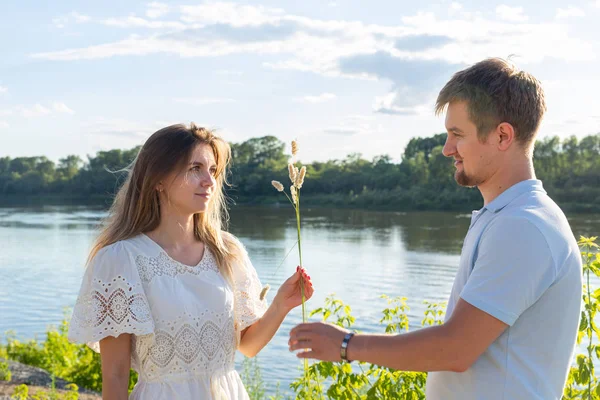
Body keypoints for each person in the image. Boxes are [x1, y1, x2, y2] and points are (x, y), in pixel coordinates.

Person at [288, 58, 582, 399]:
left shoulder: (524, 226)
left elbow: (455, 349)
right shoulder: (505, 217)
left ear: (503, 135)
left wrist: (345, 344)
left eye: (457, 134)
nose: (447, 149)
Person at [68, 123, 314, 400]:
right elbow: (115, 375)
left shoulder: (227, 251)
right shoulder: (121, 259)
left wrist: (281, 304)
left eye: (212, 170)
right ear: (158, 179)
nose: (209, 181)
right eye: (194, 168)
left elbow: (248, 346)